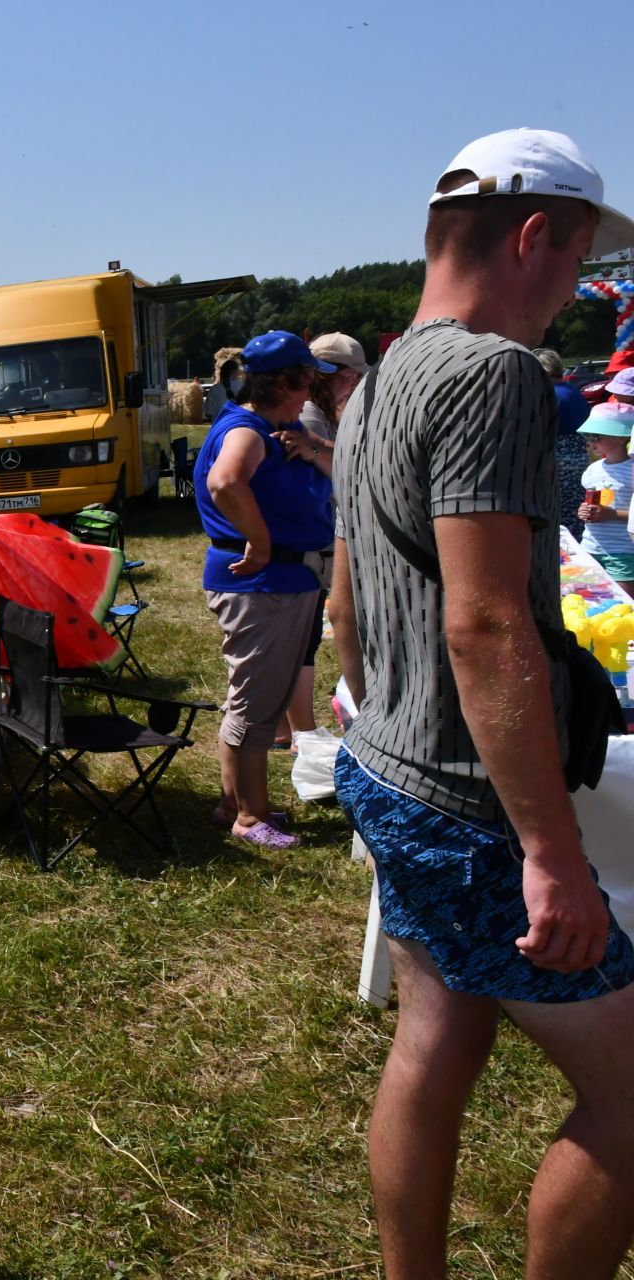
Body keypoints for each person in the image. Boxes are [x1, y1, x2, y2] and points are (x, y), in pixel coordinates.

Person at [326, 127, 634, 1279]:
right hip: (471, 806)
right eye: (581, 263)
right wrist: (550, 850)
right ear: (535, 236)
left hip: (390, 764)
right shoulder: (494, 374)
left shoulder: (382, 379)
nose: (579, 290)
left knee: (435, 1037)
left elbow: (350, 603)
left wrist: (377, 716)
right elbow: (488, 619)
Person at [192, 329, 336, 847]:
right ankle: (251, 817)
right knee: (256, 706)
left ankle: (235, 803)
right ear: (282, 383)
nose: (309, 393)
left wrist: (313, 444)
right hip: (264, 583)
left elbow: (344, 467)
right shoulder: (249, 431)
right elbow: (225, 482)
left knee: (258, 699)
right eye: (304, 382)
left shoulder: (280, 425)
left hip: (281, 581)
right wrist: (259, 543)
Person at [274, 333, 369, 745]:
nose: (353, 386)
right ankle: (302, 731)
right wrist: (318, 451)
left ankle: (283, 729)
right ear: (337, 376)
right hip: (312, 540)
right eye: (349, 379)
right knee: (303, 640)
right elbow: (340, 469)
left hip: (314, 537)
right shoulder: (311, 414)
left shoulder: (322, 413)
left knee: (300, 639)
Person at [577, 403, 634, 594]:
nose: (590, 442)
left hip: (623, 551)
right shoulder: (593, 469)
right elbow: (592, 502)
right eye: (587, 436)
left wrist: (610, 514)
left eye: (596, 436)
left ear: (621, 438)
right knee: (593, 601)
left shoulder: (631, 470)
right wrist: (584, 510)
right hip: (591, 546)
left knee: (623, 604)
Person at [537, 347, 595, 536]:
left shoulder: (549, 394)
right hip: (579, 457)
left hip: (558, 460)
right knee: (574, 513)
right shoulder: (572, 391)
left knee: (557, 515)